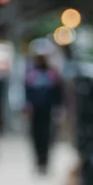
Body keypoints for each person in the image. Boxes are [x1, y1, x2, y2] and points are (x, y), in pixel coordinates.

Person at [22, 44, 63, 175]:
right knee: (35, 137)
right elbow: (26, 92)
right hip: (35, 111)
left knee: (47, 137)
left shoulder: (52, 74)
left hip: (48, 111)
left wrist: (59, 108)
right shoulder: (31, 73)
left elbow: (58, 93)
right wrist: (26, 106)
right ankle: (38, 162)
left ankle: (45, 163)